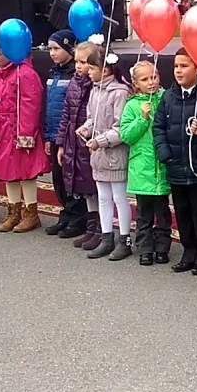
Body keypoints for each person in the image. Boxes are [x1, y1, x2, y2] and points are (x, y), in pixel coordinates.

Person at [153, 47, 197, 275]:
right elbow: (158, 127)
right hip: (176, 166)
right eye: (176, 66)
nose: (178, 71)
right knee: (182, 213)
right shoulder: (169, 96)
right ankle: (189, 251)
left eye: (184, 66)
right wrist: (165, 154)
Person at [0, 33, 50, 234]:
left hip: (18, 129)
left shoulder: (25, 74)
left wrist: (26, 133)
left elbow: (31, 104)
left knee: (25, 172)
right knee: (7, 172)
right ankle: (13, 210)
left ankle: (31, 212)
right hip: (0, 129)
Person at [79, 42, 133, 260]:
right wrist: (86, 127)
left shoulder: (120, 92)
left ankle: (125, 238)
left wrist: (100, 140)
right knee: (103, 197)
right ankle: (106, 236)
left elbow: (121, 128)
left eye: (91, 68)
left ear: (106, 69)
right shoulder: (95, 90)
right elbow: (92, 117)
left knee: (119, 197)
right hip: (99, 155)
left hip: (114, 154)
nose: (88, 72)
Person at [120, 59, 171, 266]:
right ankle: (146, 248)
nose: (151, 82)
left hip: (162, 166)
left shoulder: (166, 98)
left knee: (163, 212)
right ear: (136, 83)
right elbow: (126, 135)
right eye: (145, 79)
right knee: (144, 214)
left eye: (154, 77)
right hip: (142, 168)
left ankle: (162, 248)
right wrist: (142, 118)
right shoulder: (132, 105)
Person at [56, 46, 100, 248]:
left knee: (95, 187)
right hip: (74, 142)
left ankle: (101, 228)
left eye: (84, 63)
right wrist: (61, 143)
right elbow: (66, 115)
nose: (79, 67)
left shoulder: (96, 85)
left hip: (92, 144)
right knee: (84, 188)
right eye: (77, 62)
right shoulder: (74, 83)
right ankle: (91, 227)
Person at [43, 30, 79, 236]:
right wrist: (49, 136)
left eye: (56, 48)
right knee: (57, 178)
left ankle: (77, 217)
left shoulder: (76, 74)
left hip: (70, 136)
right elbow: (49, 107)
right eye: (50, 49)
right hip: (55, 134)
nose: (52, 53)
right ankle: (65, 213)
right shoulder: (52, 74)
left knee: (71, 178)